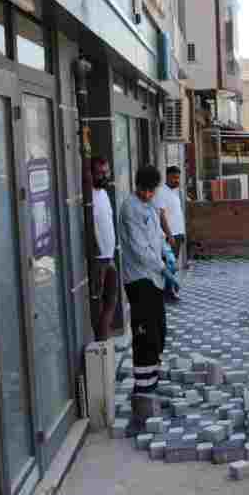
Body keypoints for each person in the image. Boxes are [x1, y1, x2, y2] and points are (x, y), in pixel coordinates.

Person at [119, 166, 167, 393]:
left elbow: (157, 236)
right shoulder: (130, 208)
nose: (148, 194)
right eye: (144, 190)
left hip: (154, 277)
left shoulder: (149, 206)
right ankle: (144, 388)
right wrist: (161, 266)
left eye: (152, 191)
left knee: (158, 329)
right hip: (139, 279)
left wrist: (165, 250)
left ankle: (154, 377)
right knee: (145, 333)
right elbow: (139, 249)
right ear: (137, 185)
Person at [89, 156, 119, 341]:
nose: (104, 176)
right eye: (99, 173)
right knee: (99, 303)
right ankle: (100, 343)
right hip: (99, 259)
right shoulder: (89, 195)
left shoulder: (103, 193)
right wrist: (97, 253)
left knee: (112, 300)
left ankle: (105, 340)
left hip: (110, 257)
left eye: (106, 172)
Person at [154, 165, 188, 276]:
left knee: (172, 266)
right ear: (167, 177)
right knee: (168, 266)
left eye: (178, 178)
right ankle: (167, 291)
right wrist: (169, 236)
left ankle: (171, 291)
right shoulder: (161, 192)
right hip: (170, 237)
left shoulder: (174, 192)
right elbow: (161, 216)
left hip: (177, 235)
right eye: (174, 178)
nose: (177, 181)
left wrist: (182, 234)